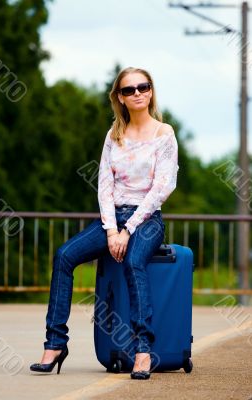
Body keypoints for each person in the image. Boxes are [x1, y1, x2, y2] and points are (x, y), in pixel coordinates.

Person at [30, 66, 179, 380]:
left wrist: (128, 230)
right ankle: (55, 343)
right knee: (64, 256)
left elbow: (162, 188)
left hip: (147, 219)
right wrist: (112, 230)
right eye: (129, 90)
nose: (137, 93)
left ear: (151, 91)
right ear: (120, 98)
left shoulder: (163, 133)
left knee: (134, 262)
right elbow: (104, 186)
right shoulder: (115, 135)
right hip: (113, 218)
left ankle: (142, 350)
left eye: (143, 87)